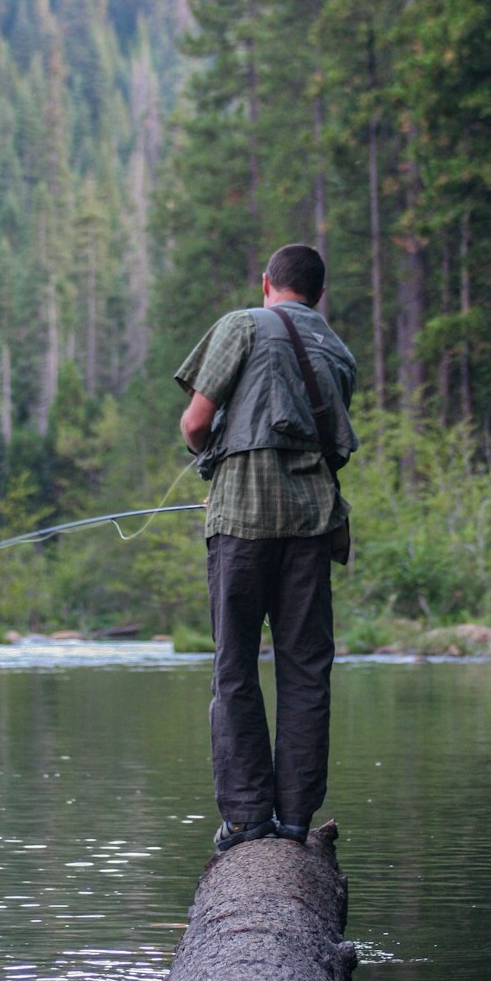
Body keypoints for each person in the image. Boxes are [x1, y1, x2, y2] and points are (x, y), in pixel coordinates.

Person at [175, 243, 358, 852]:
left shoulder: (241, 326)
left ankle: (248, 818)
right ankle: (297, 818)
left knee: (235, 667)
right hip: (310, 525)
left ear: (266, 283)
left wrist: (215, 465)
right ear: (318, 294)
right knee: (306, 669)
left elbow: (195, 422)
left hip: (242, 521)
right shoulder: (337, 349)